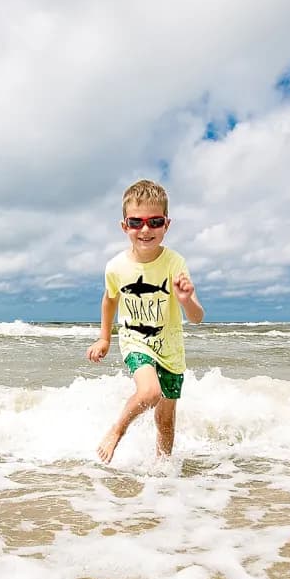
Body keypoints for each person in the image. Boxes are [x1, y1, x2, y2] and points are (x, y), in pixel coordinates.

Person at [86, 179, 204, 463]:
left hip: (171, 349)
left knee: (165, 420)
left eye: (155, 221)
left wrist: (185, 299)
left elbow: (198, 317)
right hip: (135, 340)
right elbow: (110, 299)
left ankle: (163, 473)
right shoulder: (116, 267)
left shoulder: (175, 263)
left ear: (167, 224)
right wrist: (104, 338)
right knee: (149, 392)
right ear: (124, 226)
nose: (146, 229)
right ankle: (117, 430)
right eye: (136, 222)